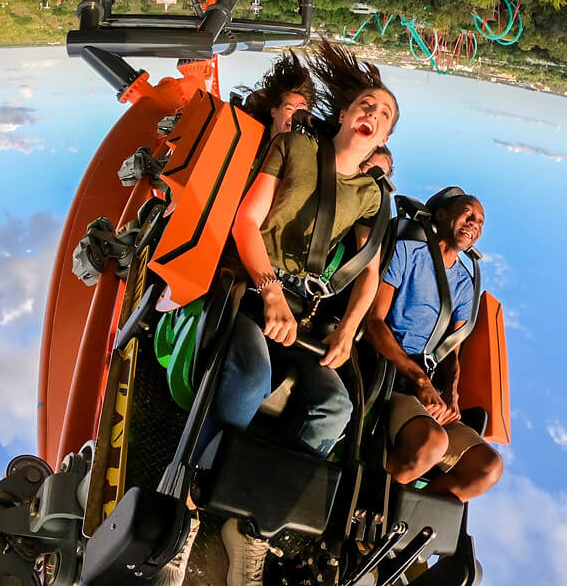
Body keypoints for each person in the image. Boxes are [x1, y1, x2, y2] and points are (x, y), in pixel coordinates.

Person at [155, 41, 399, 586]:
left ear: (383, 138)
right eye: (366, 104)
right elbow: (248, 221)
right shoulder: (293, 147)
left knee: (335, 408)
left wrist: (351, 327)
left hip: (303, 315)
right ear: (343, 113)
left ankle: (253, 522)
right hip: (252, 287)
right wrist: (267, 289)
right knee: (250, 373)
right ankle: (188, 504)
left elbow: (369, 274)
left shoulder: (370, 197)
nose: (371, 114)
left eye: (383, 115)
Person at [364, 191, 503, 503]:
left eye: (480, 221)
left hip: (426, 385)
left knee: (487, 467)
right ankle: (371, 502)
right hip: (388, 370)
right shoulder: (406, 253)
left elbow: (451, 352)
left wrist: (451, 395)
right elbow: (374, 323)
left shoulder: (465, 285)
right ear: (440, 215)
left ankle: (405, 518)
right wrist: (421, 381)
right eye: (467, 214)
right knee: (432, 441)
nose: (474, 224)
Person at [238, 51, 317, 142]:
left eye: (301, 112)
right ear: (274, 111)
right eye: (289, 109)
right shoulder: (248, 136)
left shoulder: (308, 151)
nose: (295, 116)